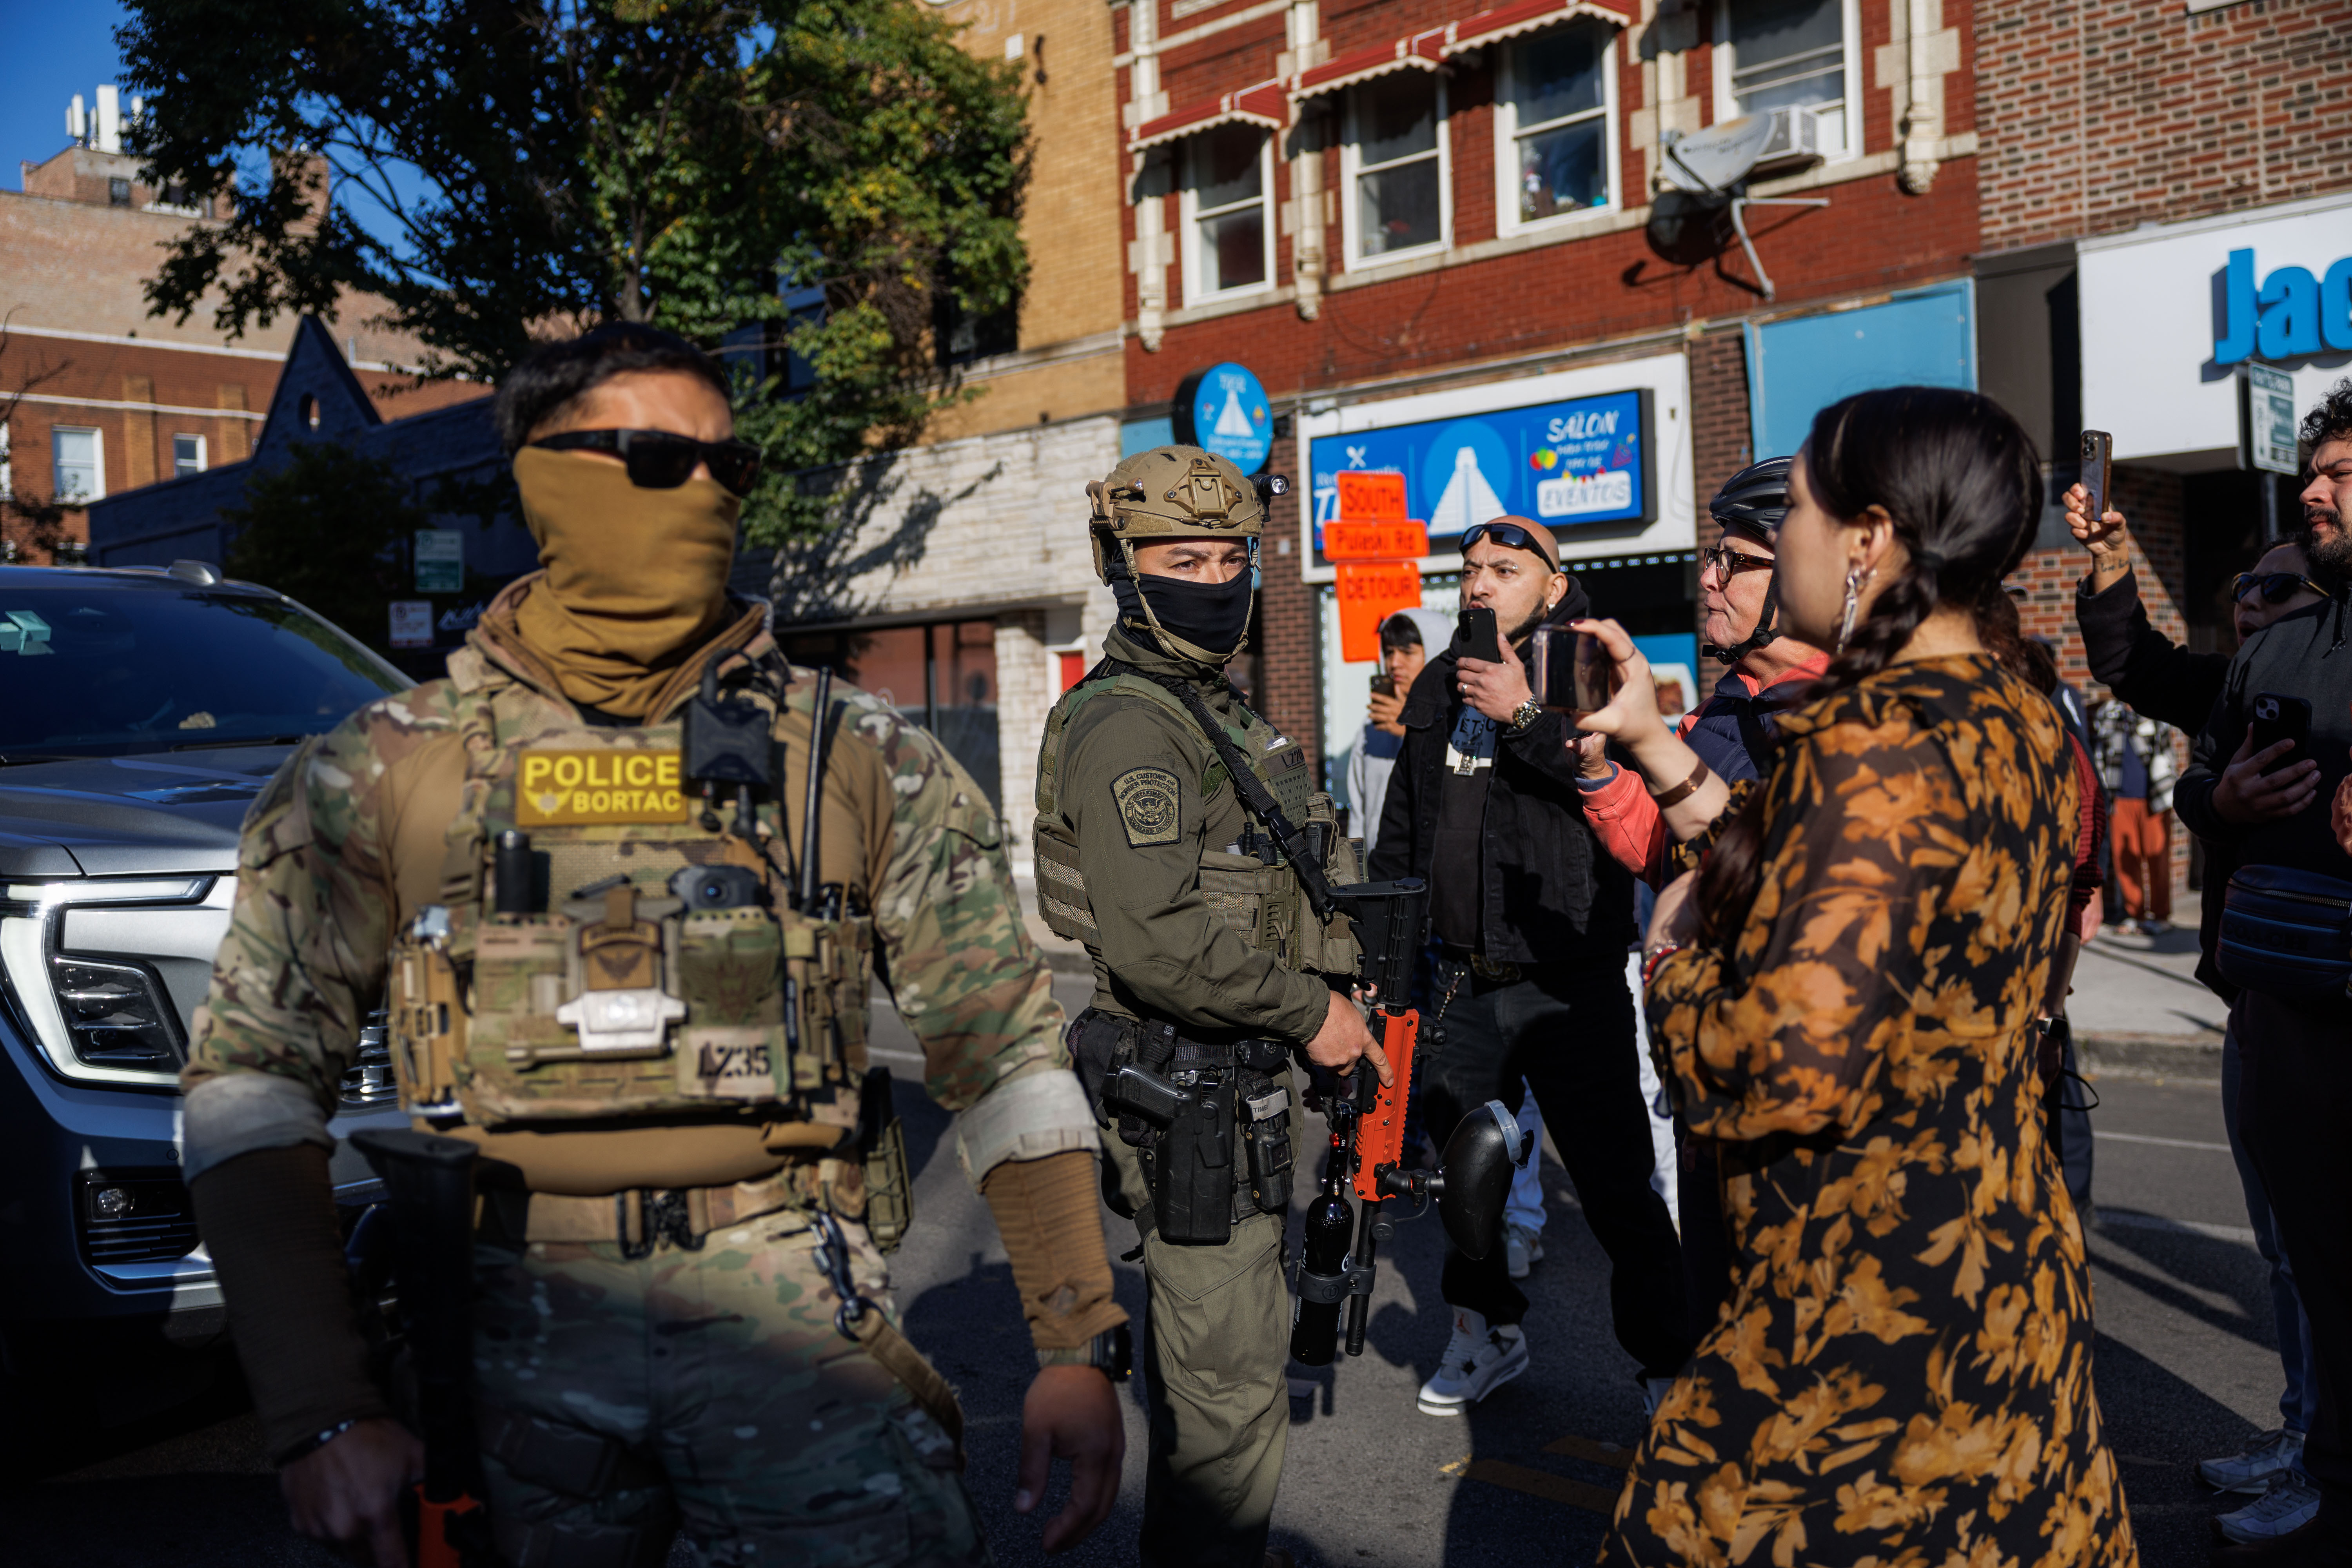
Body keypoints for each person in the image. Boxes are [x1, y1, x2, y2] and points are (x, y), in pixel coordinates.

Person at [179, 324, 1128, 1568]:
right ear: (536, 474)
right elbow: (251, 1088)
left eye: (723, 468)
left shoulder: (854, 756)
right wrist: (320, 1409)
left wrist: (1074, 1339)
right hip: (501, 1324)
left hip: (794, 1299)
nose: (698, 494)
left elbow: (1003, 1050)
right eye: (649, 458)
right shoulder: (381, 770)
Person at [1596, 385, 2135, 1566]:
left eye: (1791, 507)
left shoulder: (1873, 738)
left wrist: (1672, 973)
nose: (1774, 535)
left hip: (1861, 1289)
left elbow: (1783, 1063)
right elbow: (1834, 881)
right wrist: (1655, 752)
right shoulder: (2015, 708)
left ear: (1869, 538)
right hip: (2001, 1253)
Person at [1031, 445, 1383, 1568]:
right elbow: (1160, 939)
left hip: (1226, 1080)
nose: (1216, 578)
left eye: (1231, 555)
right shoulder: (1134, 724)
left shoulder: (1208, 707)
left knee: (1219, 1376)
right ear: (1124, 571)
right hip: (1188, 1090)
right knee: (1228, 1389)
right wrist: (1309, 1013)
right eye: (1184, 558)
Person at [1368, 514, 1690, 1419]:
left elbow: (1618, 795)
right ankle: (1485, 1333)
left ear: (1552, 584)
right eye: (1469, 569)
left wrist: (1520, 709)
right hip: (1462, 976)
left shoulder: (1588, 667)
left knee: (1619, 1185)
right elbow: (1404, 830)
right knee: (1464, 1183)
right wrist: (1380, 956)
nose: (1479, 584)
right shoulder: (1437, 681)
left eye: (1504, 570)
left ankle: (1669, 1368)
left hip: (1569, 974)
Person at [2069, 485, 2330, 1539]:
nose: (2250, 602)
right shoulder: (2244, 685)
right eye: (2244, 586)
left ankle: (2328, 1456)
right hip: (2257, 999)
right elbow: (2137, 664)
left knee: (2324, 1249)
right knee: (2285, 1249)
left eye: (2277, 585)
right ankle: (2306, 1431)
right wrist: (2111, 557)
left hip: (2333, 1003)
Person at [1570, 457, 1827, 1362]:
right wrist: (1605, 768)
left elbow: (1797, 898)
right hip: (1706, 1081)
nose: (1709, 579)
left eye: (1739, 560)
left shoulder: (1849, 719)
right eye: (1712, 558)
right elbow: (1659, 847)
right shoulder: (1726, 706)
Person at [2175, 378, 2352, 1568]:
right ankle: (2327, 1483)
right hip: (2285, 1018)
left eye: (2341, 476)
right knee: (2327, 1288)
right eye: (2311, 474)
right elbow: (2203, 784)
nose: (2313, 490)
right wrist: (2216, 798)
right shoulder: (2278, 646)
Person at [1345, 606, 1451, 863]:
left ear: (1436, 651)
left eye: (1407, 652)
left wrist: (1411, 735)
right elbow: (1359, 811)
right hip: (1379, 869)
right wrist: (1355, 871)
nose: (1394, 663)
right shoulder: (1371, 727)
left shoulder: (1459, 718)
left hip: (1435, 868)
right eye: (1389, 652)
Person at [2093, 696, 2179, 935]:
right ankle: (2135, 914)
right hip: (2120, 798)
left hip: (2153, 798)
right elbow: (2101, 755)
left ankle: (2161, 915)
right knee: (2125, 862)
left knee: (2157, 857)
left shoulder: (2156, 714)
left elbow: (2166, 755)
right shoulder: (2108, 715)